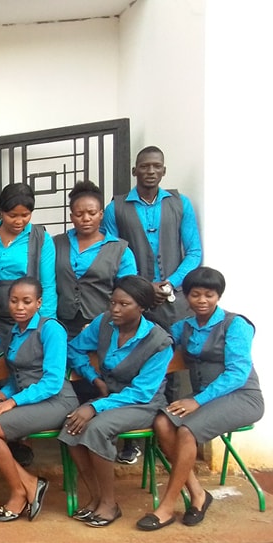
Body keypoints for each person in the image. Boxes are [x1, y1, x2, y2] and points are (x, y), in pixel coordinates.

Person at [101, 146, 203, 465]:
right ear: (134, 171)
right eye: (144, 166)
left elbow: (194, 252)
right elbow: (113, 252)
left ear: (164, 171)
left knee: (172, 366)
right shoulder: (116, 208)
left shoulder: (180, 203)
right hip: (134, 300)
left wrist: (170, 283)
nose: (150, 171)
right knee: (131, 364)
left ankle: (170, 439)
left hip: (174, 300)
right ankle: (130, 443)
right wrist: (143, 289)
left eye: (156, 166)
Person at [142, 267, 264, 530]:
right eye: (195, 294)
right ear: (186, 296)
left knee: (187, 431)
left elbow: (237, 373)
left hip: (241, 396)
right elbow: (156, 345)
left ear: (218, 296)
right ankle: (198, 493)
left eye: (209, 295)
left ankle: (167, 506)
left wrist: (197, 401)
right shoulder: (182, 327)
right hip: (204, 398)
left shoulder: (235, 324)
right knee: (162, 422)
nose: (202, 300)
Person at [59, 275, 173, 528]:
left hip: (143, 404)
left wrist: (94, 406)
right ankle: (96, 497)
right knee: (71, 425)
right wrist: (93, 378)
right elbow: (73, 348)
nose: (115, 309)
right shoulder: (105, 323)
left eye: (124, 304)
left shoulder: (159, 342)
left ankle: (110, 504)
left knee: (97, 428)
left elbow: (142, 392)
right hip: (109, 396)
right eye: (112, 302)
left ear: (142, 307)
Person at [0, 277, 78, 522]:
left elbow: (52, 382)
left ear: (39, 303)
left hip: (57, 402)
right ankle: (29, 483)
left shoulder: (51, 329)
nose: (19, 307)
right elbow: (20, 377)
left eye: (27, 301)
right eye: (14, 301)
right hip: (29, 399)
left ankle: (18, 492)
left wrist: (11, 402)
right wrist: (3, 393)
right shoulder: (15, 332)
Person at [55, 181, 137, 338]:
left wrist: (106, 321)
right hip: (62, 325)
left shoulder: (120, 250)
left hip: (104, 325)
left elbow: (128, 293)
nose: (86, 218)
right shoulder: (56, 243)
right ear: (71, 217)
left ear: (101, 214)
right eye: (79, 214)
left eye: (91, 213)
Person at [0, 183, 57, 350]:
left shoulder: (41, 239)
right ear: (0, 211)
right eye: (12, 215)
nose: (19, 221)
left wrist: (45, 325)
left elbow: (47, 285)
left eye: (25, 215)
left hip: (29, 321)